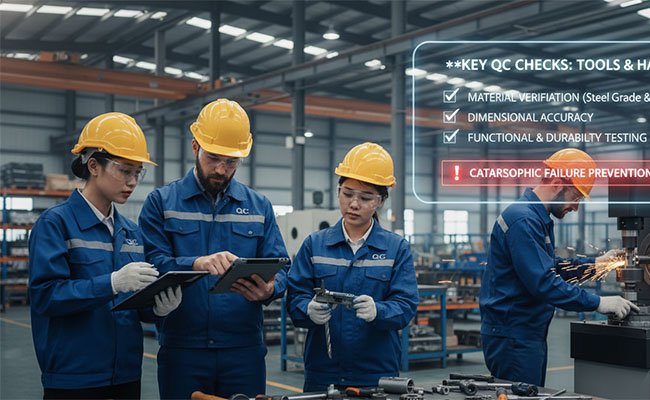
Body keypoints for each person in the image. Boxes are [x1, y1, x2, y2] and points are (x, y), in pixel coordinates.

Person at [139, 98, 288, 399]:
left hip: (243, 350)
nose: (221, 169)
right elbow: (150, 265)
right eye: (213, 158)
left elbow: (282, 267)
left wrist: (270, 290)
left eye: (231, 161)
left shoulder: (259, 207)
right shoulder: (162, 203)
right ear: (195, 148)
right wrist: (197, 263)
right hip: (183, 348)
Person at [28, 112, 182, 400]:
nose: (133, 181)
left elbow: (131, 305)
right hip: (74, 379)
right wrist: (110, 283)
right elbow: (45, 296)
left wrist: (157, 309)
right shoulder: (55, 224)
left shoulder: (132, 233)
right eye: (125, 170)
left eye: (138, 172)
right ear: (94, 165)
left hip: (125, 374)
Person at [479, 148, 639, 387]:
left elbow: (550, 267)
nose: (575, 207)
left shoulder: (536, 217)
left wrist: (596, 264)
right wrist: (599, 302)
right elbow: (543, 282)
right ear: (556, 183)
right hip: (513, 335)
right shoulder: (524, 219)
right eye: (575, 197)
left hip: (523, 333)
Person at [287, 142, 419, 391]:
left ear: (380, 200)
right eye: (347, 194)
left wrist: (379, 311)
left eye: (365, 197)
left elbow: (406, 305)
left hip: (376, 375)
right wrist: (307, 308)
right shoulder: (315, 245)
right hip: (323, 373)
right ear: (338, 192)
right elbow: (295, 296)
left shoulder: (396, 249)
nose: (354, 204)